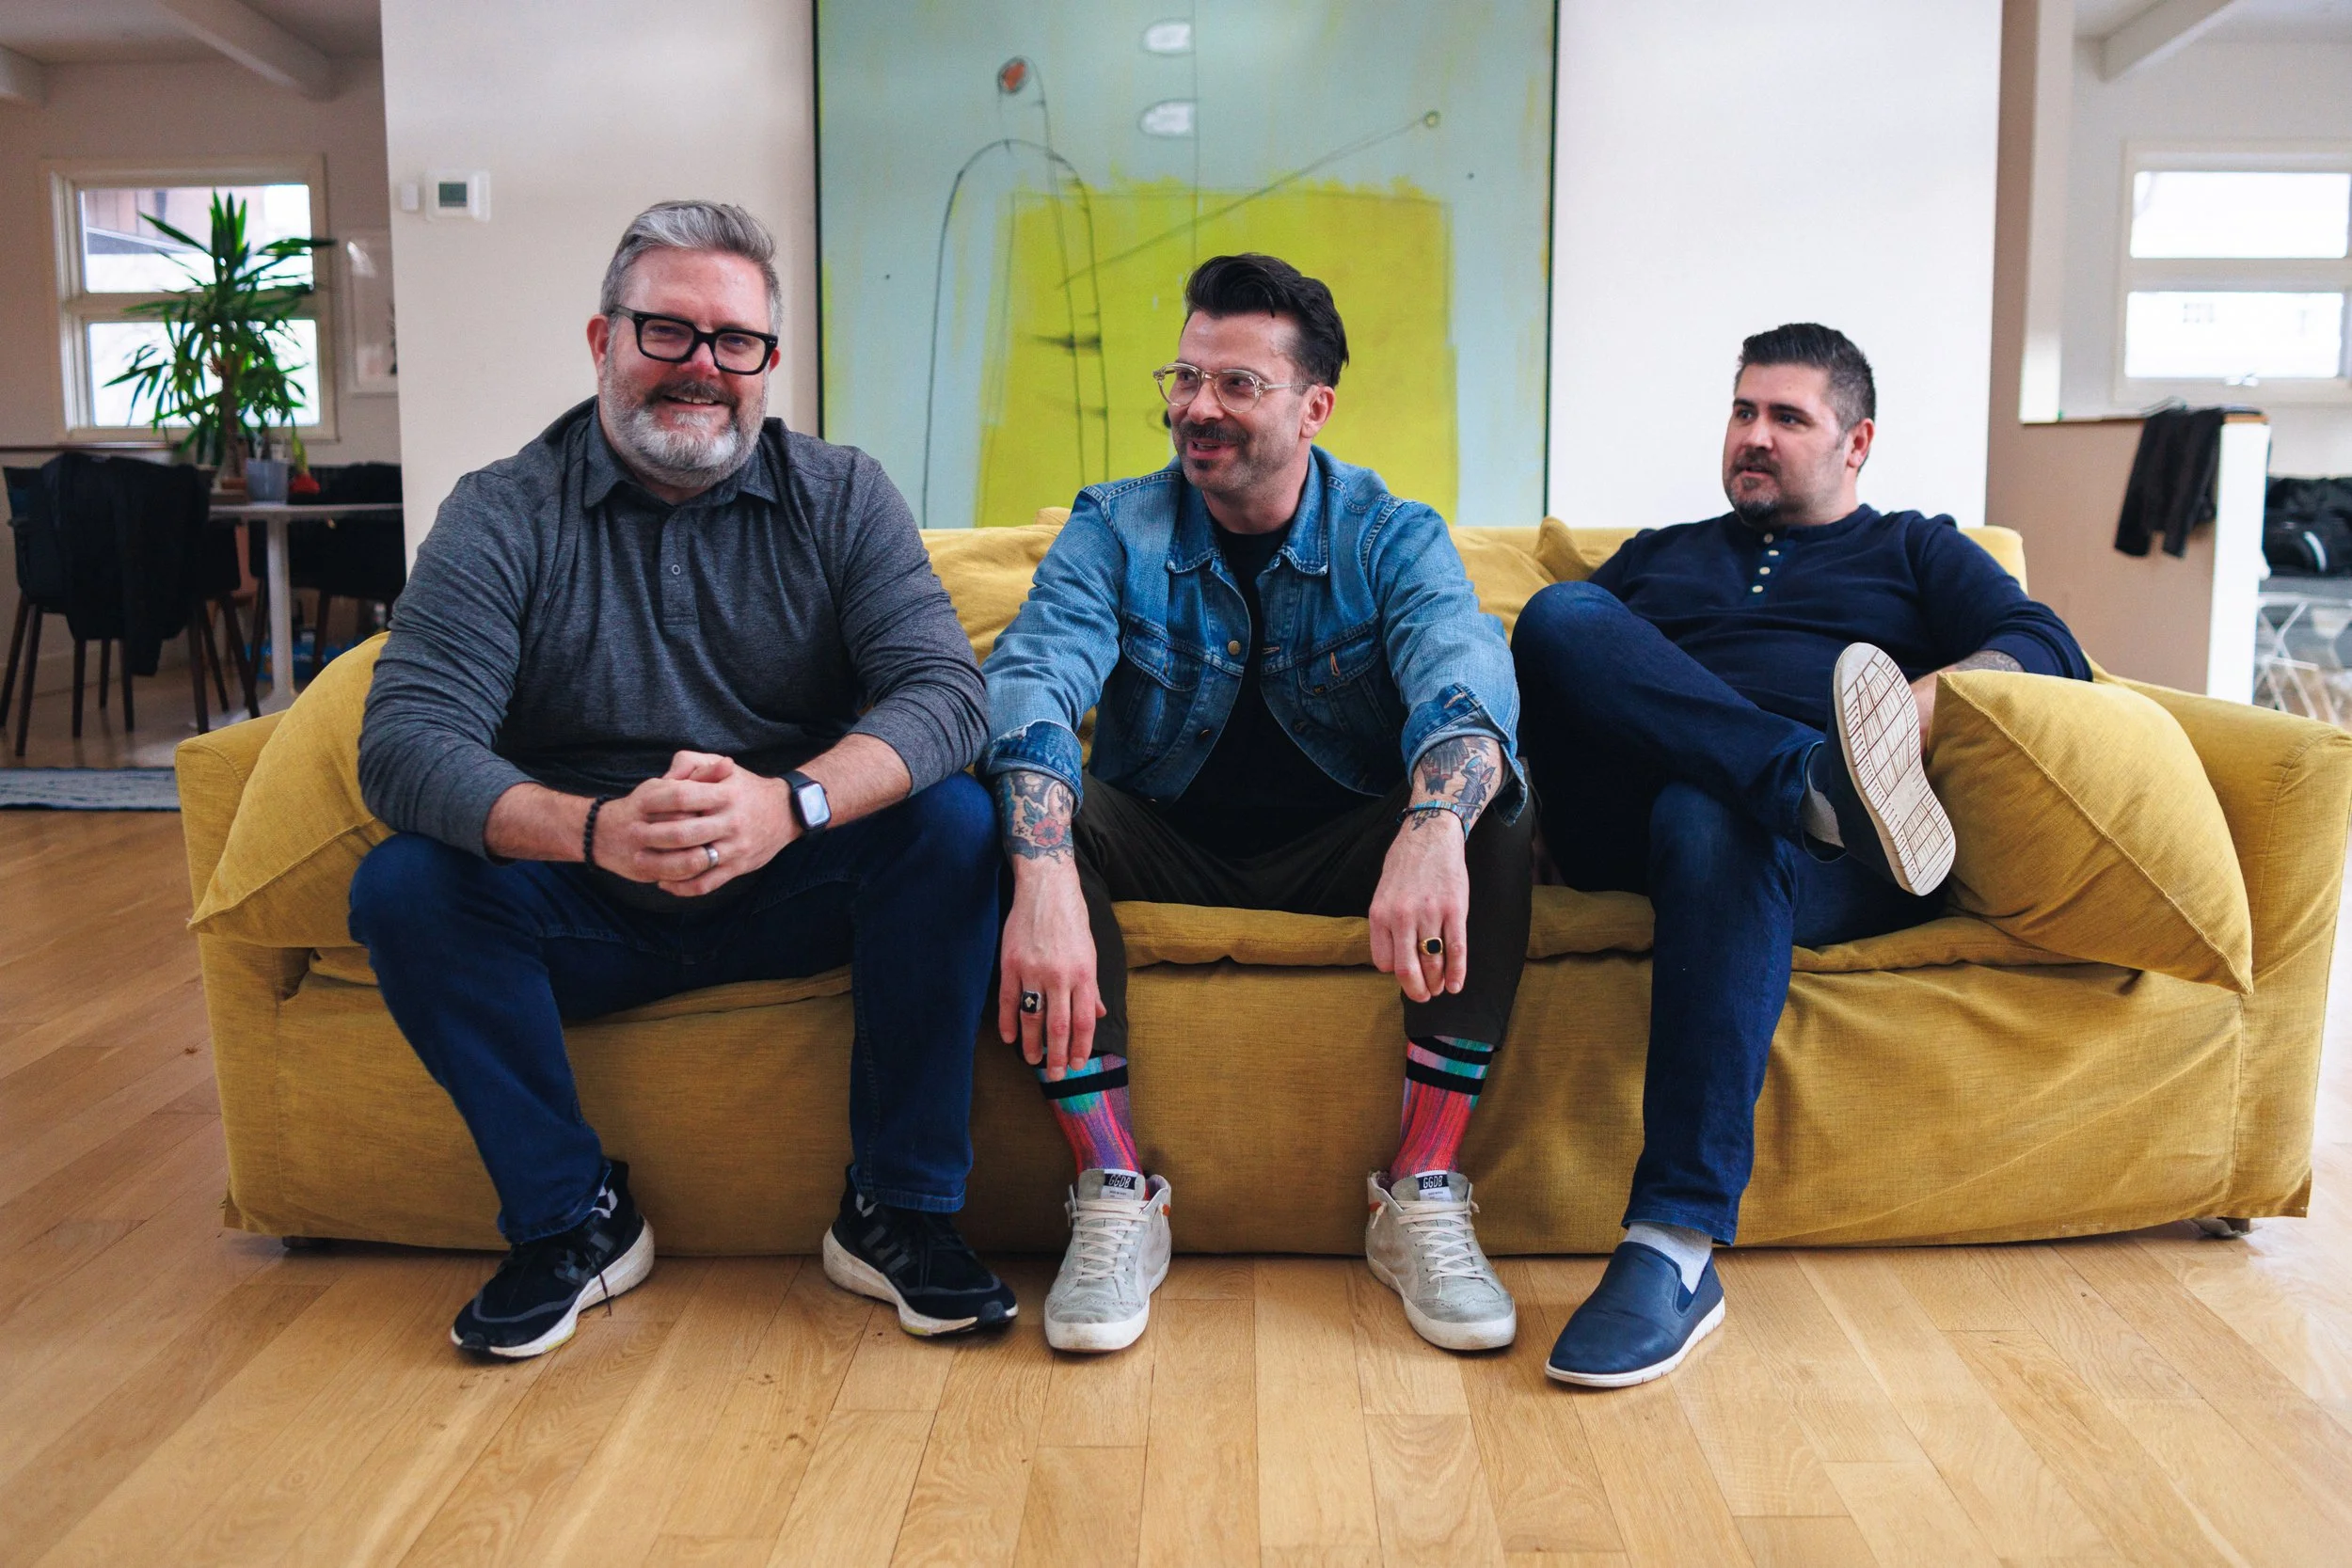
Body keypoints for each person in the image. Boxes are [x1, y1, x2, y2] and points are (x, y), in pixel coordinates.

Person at [350, 200, 1016, 1359]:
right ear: (602, 339)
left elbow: (947, 695)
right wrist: (593, 828)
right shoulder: (501, 509)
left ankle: (897, 1210)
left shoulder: (842, 494)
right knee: (404, 885)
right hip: (582, 895)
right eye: (667, 331)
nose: (703, 365)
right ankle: (570, 1219)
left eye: (735, 340)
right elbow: (405, 741)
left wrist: (790, 804)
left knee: (953, 822)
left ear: (767, 361)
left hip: (794, 877)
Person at [1512, 323, 2091, 1387]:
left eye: (1788, 417)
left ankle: (1672, 1248)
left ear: (1856, 442)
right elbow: (1554, 677)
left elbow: (2050, 648)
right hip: (1631, 825)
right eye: (1744, 411)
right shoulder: (1662, 554)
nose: (1755, 435)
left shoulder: (1915, 550)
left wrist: (1913, 709)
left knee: (1713, 812)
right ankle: (1799, 776)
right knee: (1559, 615)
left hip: (1827, 860)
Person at [982, 253, 1534, 1355]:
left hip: (1343, 845)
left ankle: (1420, 1187)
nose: (1197, 408)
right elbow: (1033, 678)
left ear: (1313, 407)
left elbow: (1462, 676)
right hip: (1165, 838)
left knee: (1493, 801)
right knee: (1022, 806)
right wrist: (1039, 872)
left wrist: (1433, 823)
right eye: (1186, 377)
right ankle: (1113, 1186)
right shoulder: (1114, 526)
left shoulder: (1390, 532)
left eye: (1237, 383)